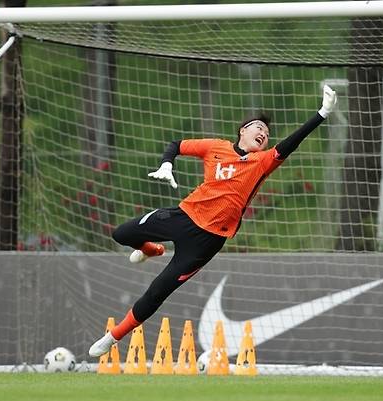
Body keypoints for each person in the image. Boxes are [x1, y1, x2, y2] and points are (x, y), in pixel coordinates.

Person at [89, 84, 337, 357]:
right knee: (122, 234)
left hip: (207, 241)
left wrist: (322, 113)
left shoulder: (262, 161)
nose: (263, 134)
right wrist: (167, 163)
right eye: (257, 128)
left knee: (158, 291)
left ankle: (112, 337)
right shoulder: (215, 147)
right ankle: (152, 249)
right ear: (242, 131)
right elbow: (176, 145)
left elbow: (291, 143)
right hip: (183, 216)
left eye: (266, 134)